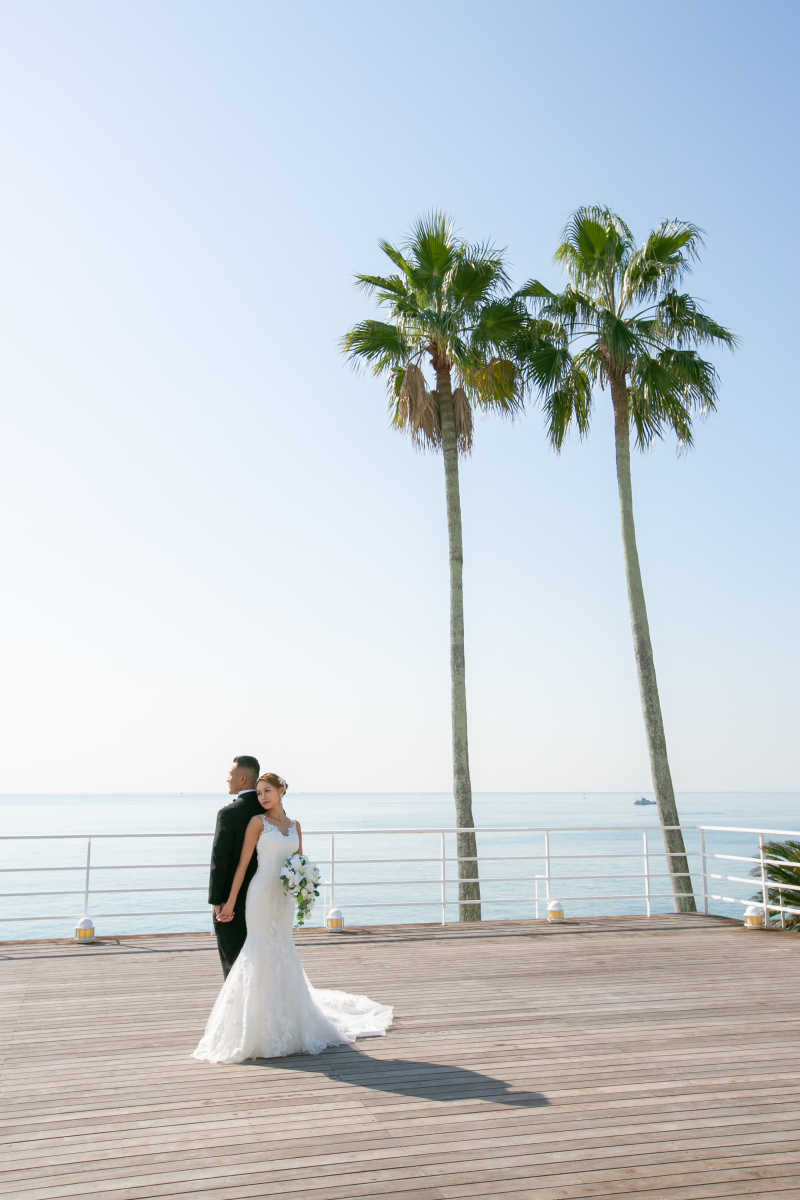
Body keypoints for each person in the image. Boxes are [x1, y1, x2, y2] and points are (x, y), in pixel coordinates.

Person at [193, 772, 392, 1063]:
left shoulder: (295, 825)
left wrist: (304, 888)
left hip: (284, 899)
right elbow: (243, 865)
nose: (262, 797)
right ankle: (253, 1027)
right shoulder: (257, 823)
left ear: (282, 791)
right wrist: (231, 901)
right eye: (259, 792)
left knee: (282, 949)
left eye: (267, 791)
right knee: (257, 949)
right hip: (261, 895)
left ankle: (288, 1022)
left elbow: (299, 861)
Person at [208, 755, 263, 977]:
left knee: (233, 963)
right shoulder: (272, 810)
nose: (227, 779)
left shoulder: (228, 813)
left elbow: (219, 860)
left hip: (233, 901)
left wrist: (217, 901)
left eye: (230, 775)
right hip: (265, 898)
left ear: (242, 779)